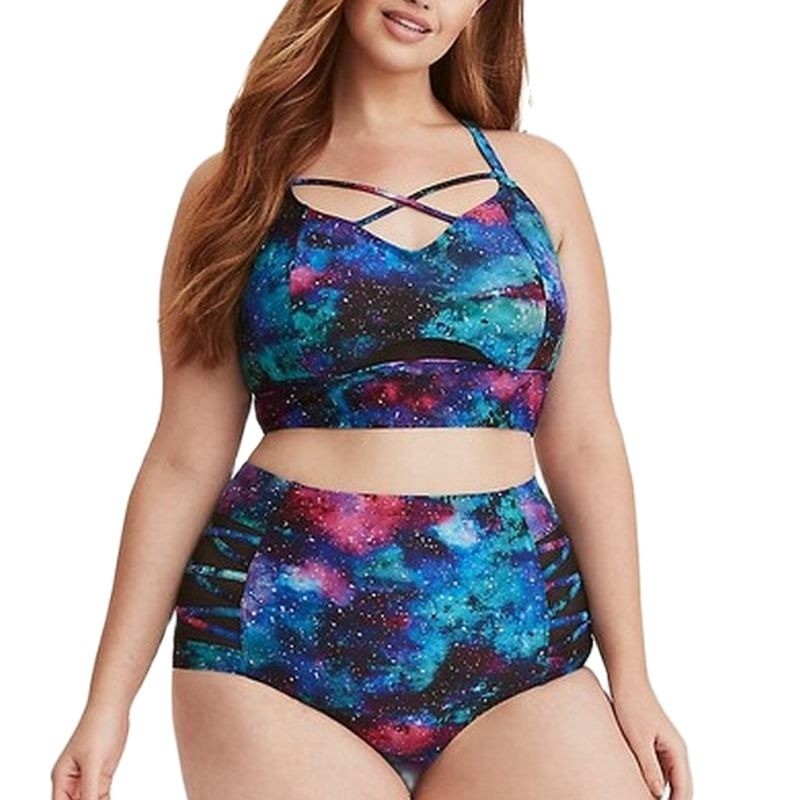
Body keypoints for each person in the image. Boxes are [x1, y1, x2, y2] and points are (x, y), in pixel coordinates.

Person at [51, 1, 692, 798]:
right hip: (273, 641)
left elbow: (586, 438)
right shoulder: (235, 186)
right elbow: (183, 457)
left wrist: (634, 678)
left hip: (518, 640)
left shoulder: (540, 175)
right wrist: (107, 704)